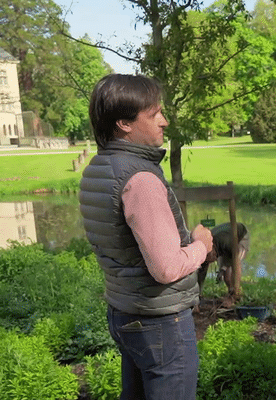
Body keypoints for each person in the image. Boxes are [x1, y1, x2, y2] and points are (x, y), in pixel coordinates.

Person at [79, 74, 213, 400]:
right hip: (159, 321)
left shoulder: (99, 168)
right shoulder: (140, 179)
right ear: (124, 122)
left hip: (124, 311)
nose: (164, 122)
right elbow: (165, 268)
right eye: (155, 115)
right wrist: (202, 246)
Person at [197, 222, 249, 296]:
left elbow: (233, 260)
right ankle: (230, 291)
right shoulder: (206, 249)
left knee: (233, 267)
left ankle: (235, 294)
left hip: (240, 235)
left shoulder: (226, 242)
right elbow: (201, 274)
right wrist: (197, 294)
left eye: (210, 259)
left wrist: (223, 268)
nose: (211, 261)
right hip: (222, 239)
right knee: (225, 276)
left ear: (213, 252)